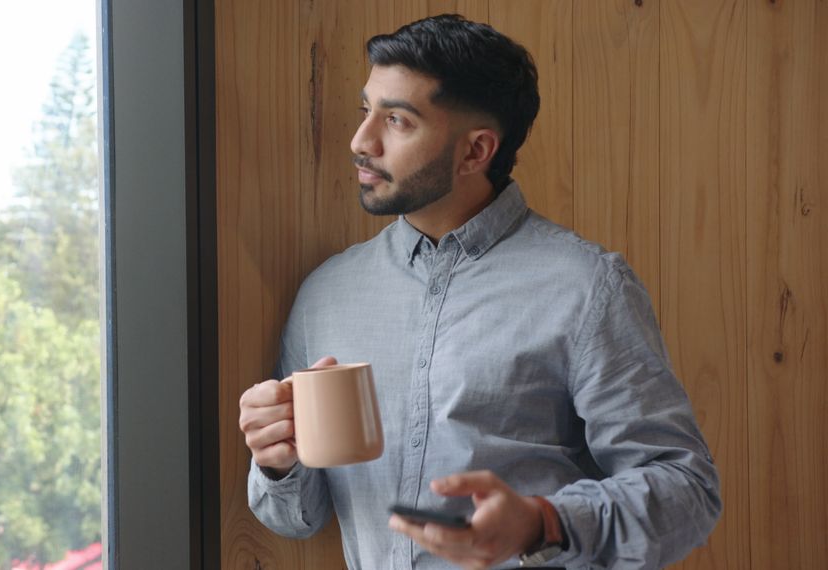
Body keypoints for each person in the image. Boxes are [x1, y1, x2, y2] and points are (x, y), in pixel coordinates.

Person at [237, 14, 721, 570]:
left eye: (396, 120)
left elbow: (688, 490)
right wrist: (277, 464)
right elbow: (299, 519)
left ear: (475, 152)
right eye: (365, 110)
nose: (360, 141)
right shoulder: (325, 294)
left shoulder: (587, 288)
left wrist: (544, 521)